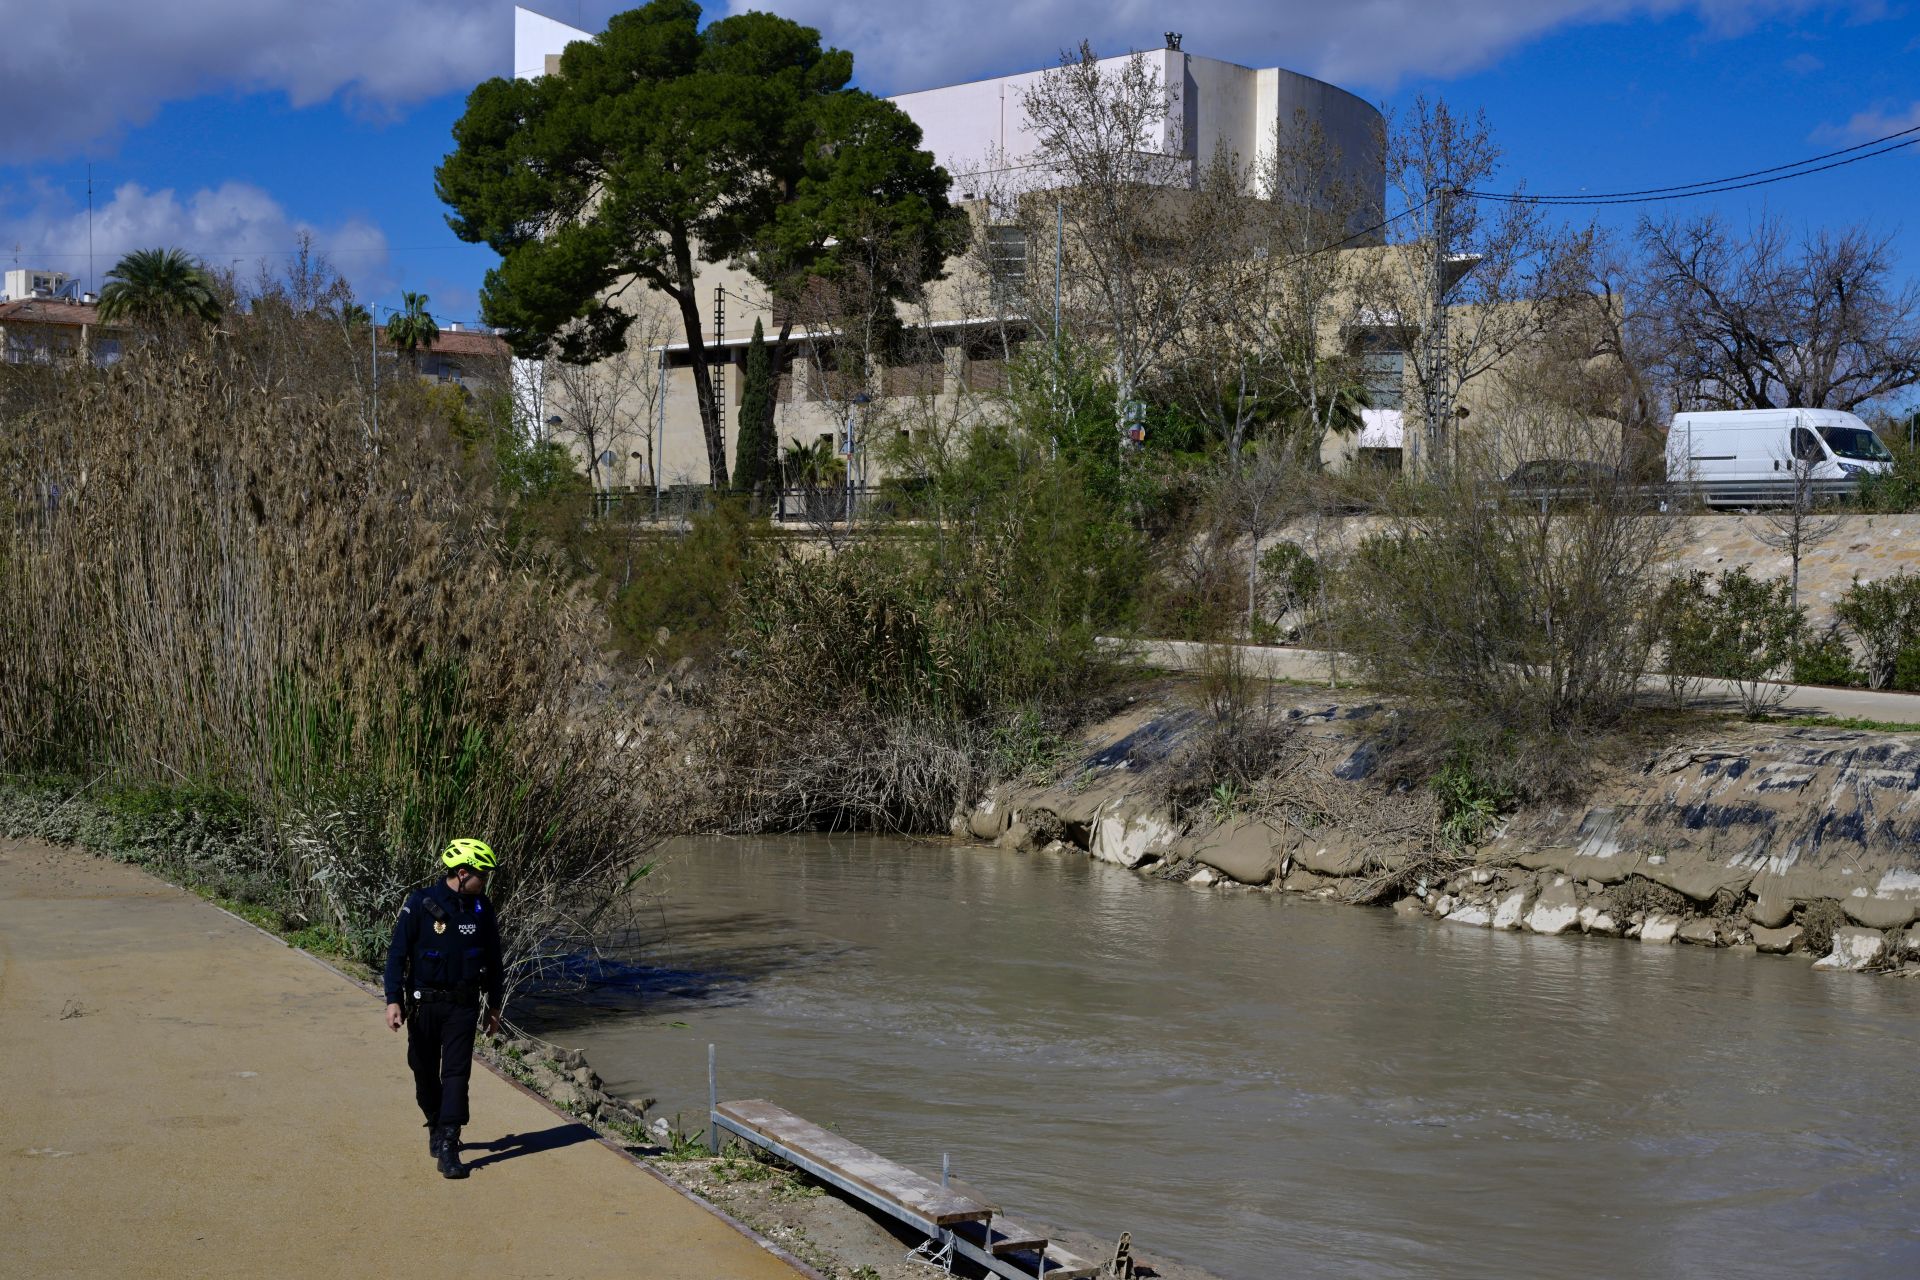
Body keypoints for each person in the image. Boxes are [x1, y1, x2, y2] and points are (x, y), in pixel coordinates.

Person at [384, 838, 506, 1179]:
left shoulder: (482, 909)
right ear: (463, 873)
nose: (486, 881)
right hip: (424, 1006)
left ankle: (450, 1143)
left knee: (456, 1074)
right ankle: (435, 1123)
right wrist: (393, 998)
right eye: (483, 874)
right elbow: (397, 954)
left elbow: (494, 962)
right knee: (422, 1070)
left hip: (462, 1008)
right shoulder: (420, 903)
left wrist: (494, 1006)